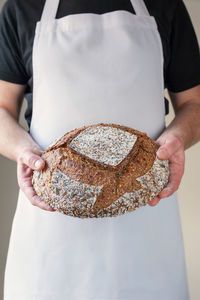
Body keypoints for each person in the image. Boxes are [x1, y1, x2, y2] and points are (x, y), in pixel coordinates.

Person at [0, 0, 200, 299]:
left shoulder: (165, 5)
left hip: (147, 214)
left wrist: (176, 140)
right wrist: (23, 150)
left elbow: (193, 104)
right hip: (49, 226)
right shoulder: (22, 7)